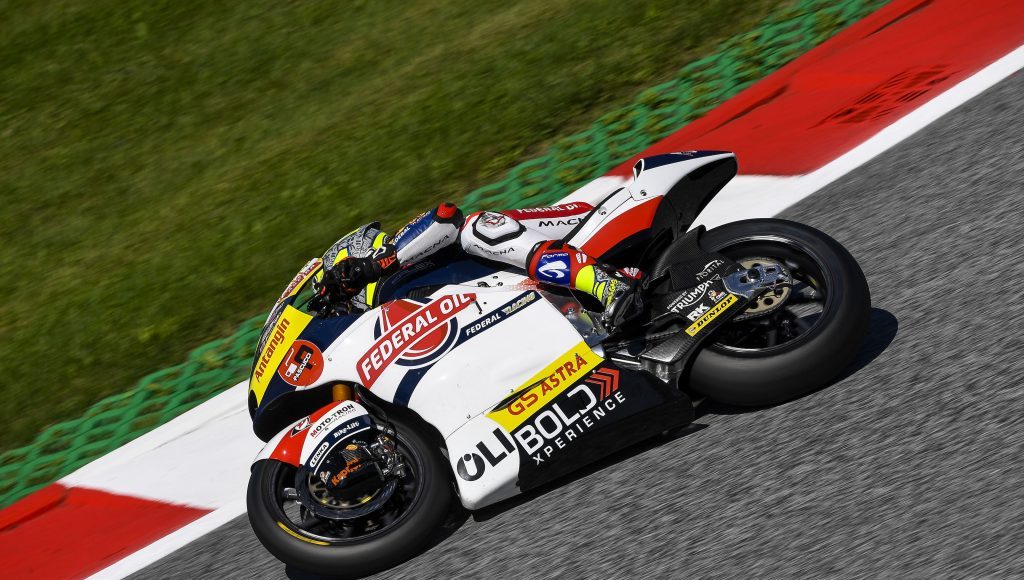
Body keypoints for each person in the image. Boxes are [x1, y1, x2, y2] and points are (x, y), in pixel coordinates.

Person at [315, 201, 642, 324]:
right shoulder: (396, 308)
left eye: (343, 298)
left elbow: (446, 215)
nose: (346, 308)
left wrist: (375, 266)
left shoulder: (402, 252)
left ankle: (604, 283)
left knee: (476, 227)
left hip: (576, 226)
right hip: (528, 300)